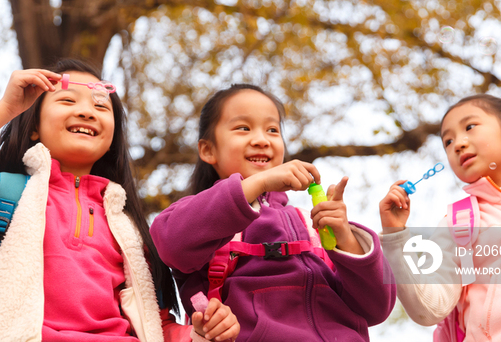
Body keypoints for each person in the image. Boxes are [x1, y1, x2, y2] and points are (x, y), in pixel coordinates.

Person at [0, 59, 240, 342]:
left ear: (112, 136)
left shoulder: (132, 232)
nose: (87, 111)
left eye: (100, 106)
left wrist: (201, 334)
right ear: (33, 125)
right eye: (67, 101)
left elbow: (156, 326)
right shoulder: (1, 197)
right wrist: (7, 108)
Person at [150, 84, 396, 342]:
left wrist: (346, 238)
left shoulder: (310, 223)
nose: (261, 139)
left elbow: (376, 309)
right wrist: (259, 183)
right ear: (208, 150)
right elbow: (169, 241)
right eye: (243, 128)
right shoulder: (204, 220)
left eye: (272, 130)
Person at [379, 94, 501, 341]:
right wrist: (395, 235)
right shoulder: (458, 224)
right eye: (448, 141)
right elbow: (428, 311)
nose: (457, 144)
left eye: (469, 127)